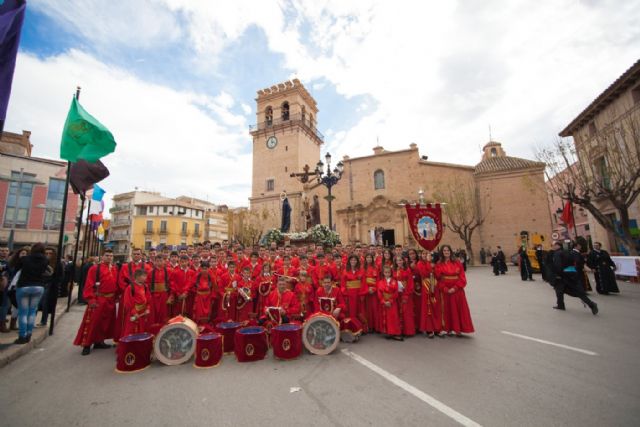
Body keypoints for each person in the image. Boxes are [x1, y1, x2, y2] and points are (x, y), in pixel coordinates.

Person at [73, 249, 119, 355]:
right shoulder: (94, 268)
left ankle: (99, 341)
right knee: (93, 322)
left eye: (111, 256)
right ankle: (87, 345)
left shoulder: (114, 269)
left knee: (105, 323)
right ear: (102, 256)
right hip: (99, 299)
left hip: (110, 300)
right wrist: (91, 299)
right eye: (107, 255)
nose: (109, 257)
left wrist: (117, 296)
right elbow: (89, 285)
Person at [435, 245, 474, 337]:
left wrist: (455, 288)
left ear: (450, 251)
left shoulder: (457, 262)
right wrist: (444, 288)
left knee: (458, 310)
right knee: (447, 310)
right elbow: (438, 278)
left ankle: (458, 329)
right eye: (444, 250)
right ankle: (447, 329)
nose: (446, 252)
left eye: (448, 250)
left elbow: (462, 278)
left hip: (457, 291)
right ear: (442, 252)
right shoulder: (439, 263)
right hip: (445, 291)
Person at [13, 243, 49, 344]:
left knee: (23, 312)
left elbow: (16, 270)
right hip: (38, 286)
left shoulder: (25, 259)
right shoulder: (46, 260)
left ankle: (22, 335)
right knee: (32, 311)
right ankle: (29, 333)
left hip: (24, 286)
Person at [550, 241, 598, 315]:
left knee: (561, 290)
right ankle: (560, 305)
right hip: (570, 274)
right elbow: (573, 263)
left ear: (557, 245)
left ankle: (591, 304)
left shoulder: (557, 253)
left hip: (562, 275)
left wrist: (557, 274)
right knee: (563, 291)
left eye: (553, 245)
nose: (552, 247)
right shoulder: (567, 252)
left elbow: (558, 265)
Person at [416, 251, 442, 338]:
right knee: (428, 308)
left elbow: (438, 275)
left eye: (428, 254)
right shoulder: (419, 263)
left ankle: (437, 328)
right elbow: (424, 274)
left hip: (435, 286)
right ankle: (429, 329)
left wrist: (433, 267)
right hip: (426, 287)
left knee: (436, 307)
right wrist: (429, 264)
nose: (426, 255)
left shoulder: (435, 264)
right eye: (424, 254)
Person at [38, 246, 63, 327]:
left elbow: (60, 275)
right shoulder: (41, 262)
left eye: (50, 253)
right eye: (46, 253)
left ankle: (43, 321)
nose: (48, 255)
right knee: (38, 303)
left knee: (45, 303)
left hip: (50, 285)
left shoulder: (57, 263)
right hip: (40, 283)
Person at [121, 269, 150, 336]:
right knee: (132, 330)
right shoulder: (130, 287)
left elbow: (148, 299)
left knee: (142, 329)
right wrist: (134, 312)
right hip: (134, 312)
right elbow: (128, 302)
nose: (146, 278)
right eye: (144, 276)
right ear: (138, 276)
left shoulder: (145, 286)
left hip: (143, 312)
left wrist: (148, 308)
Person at [377, 265, 402, 341]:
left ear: (391, 273)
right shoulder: (380, 282)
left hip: (392, 302)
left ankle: (395, 333)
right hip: (384, 302)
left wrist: (390, 301)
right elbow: (379, 293)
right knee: (386, 317)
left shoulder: (394, 281)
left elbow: (396, 293)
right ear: (383, 273)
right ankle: (388, 332)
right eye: (385, 272)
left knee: (394, 317)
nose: (387, 273)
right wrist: (383, 301)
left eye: (388, 272)